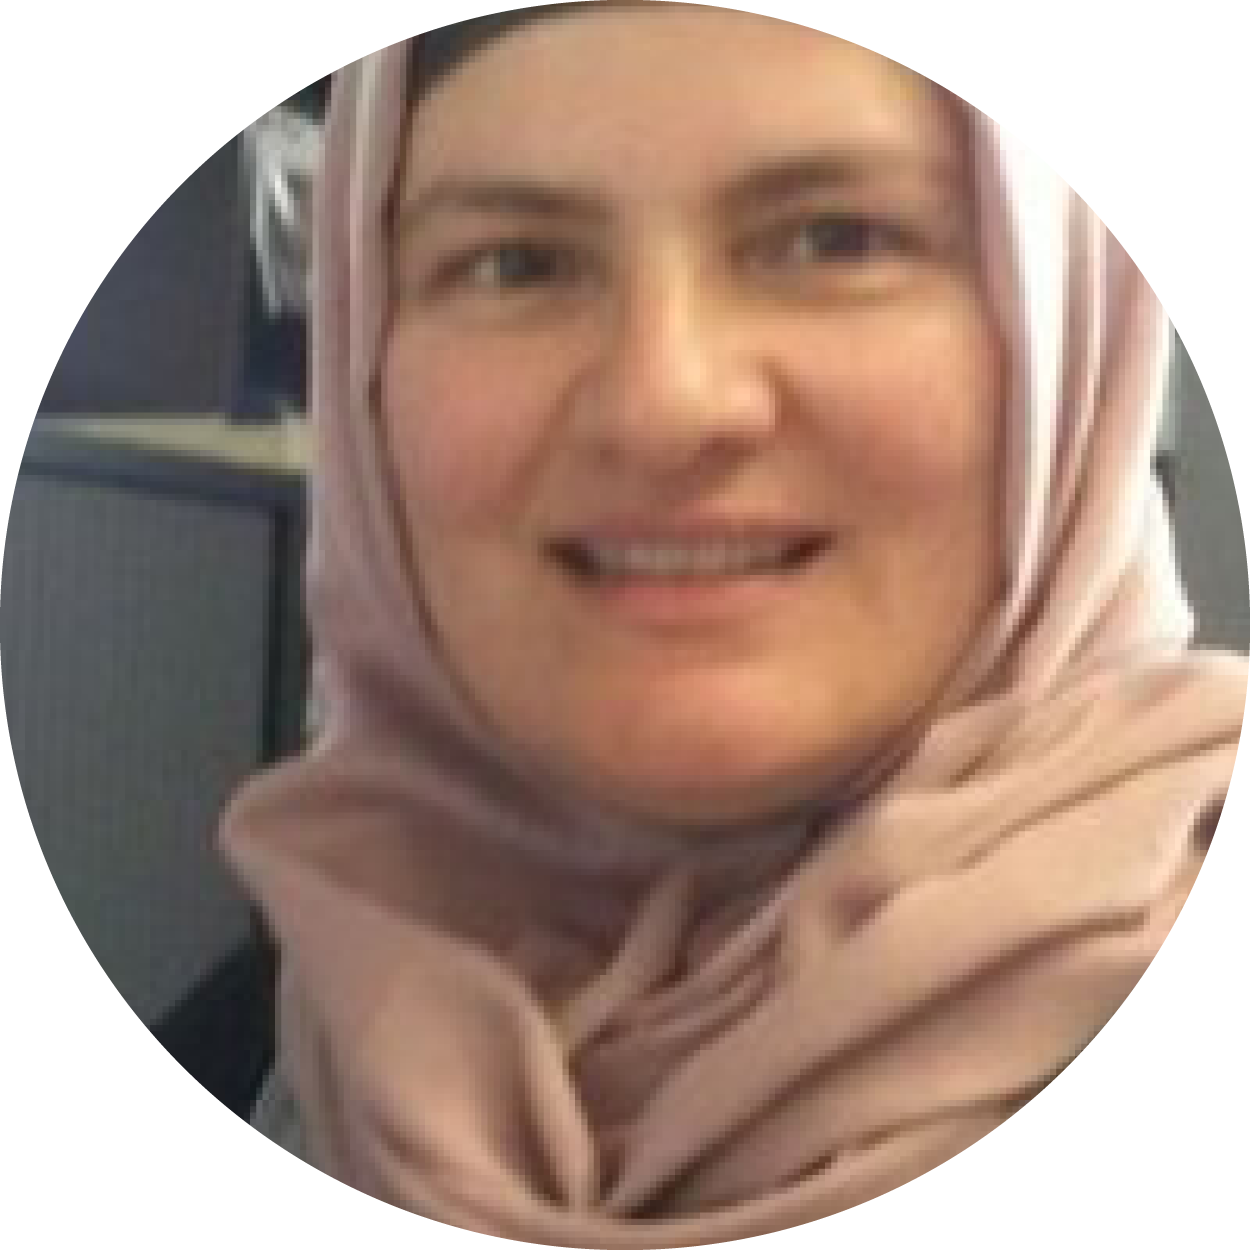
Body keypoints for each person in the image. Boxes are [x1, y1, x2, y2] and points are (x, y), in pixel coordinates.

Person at [221, 4, 1247, 1245]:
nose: (664, 402)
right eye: (517, 263)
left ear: (1066, 334)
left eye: (834, 239)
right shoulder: (319, 1000)